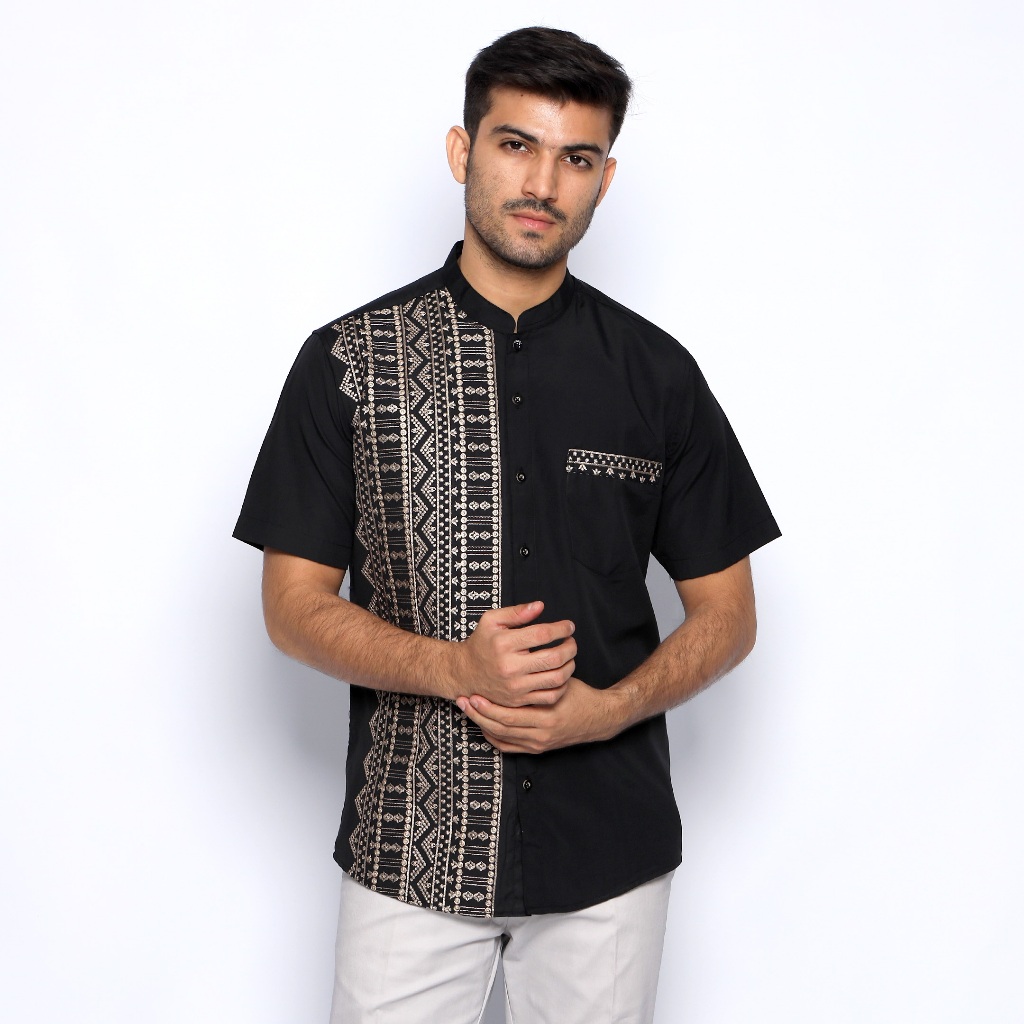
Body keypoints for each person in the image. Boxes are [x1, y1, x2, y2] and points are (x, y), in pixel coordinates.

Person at [233, 25, 780, 1024]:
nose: (542, 183)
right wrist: (455, 667)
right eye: (516, 144)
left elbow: (729, 613)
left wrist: (607, 711)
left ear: (605, 179)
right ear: (463, 150)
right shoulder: (348, 362)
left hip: (609, 854)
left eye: (576, 158)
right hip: (410, 850)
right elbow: (290, 606)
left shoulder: (657, 375)